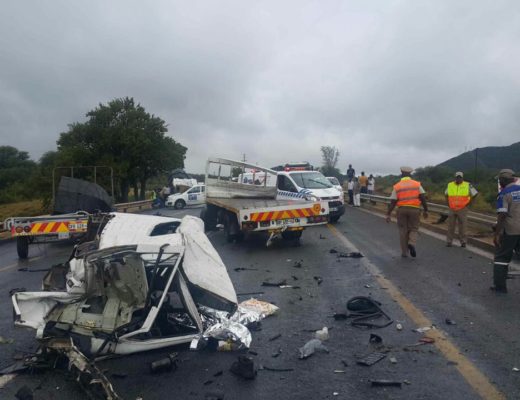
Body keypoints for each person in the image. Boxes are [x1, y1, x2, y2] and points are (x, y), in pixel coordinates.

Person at [385, 166, 428, 258]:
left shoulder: (397, 186)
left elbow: (393, 202)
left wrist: (388, 214)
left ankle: (404, 253)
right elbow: (423, 198)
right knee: (414, 228)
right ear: (410, 174)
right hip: (414, 210)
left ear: (401, 173)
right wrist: (426, 210)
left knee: (402, 231)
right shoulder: (417, 184)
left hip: (401, 210)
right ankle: (411, 243)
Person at [491, 169, 520, 293]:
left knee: (501, 258)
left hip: (511, 230)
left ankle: (500, 286)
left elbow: (502, 215)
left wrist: (497, 233)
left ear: (503, 180)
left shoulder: (504, 194)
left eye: (499, 180)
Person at [445, 171, 478, 247]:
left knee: (463, 226)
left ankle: (463, 242)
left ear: (462, 178)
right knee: (451, 226)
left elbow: (475, 194)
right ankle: (449, 241)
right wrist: (448, 204)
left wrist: (469, 203)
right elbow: (446, 194)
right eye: (457, 177)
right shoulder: (450, 185)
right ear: (455, 177)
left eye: (460, 177)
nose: (458, 179)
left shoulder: (467, 185)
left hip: (462, 208)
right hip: (452, 208)